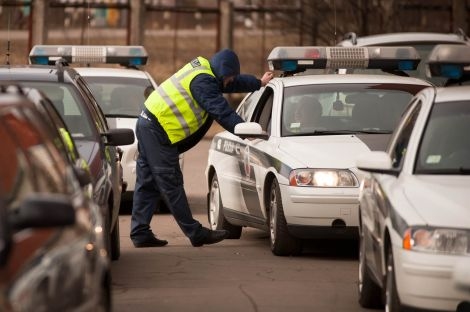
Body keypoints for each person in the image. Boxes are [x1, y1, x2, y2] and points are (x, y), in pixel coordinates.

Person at [131, 49, 273, 248]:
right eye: (230, 77)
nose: (231, 81)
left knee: (147, 181)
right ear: (223, 72)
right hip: (158, 130)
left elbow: (233, 82)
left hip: (149, 123)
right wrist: (243, 130)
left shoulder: (208, 71)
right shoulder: (203, 83)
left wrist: (258, 83)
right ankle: (195, 232)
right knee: (170, 181)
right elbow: (221, 111)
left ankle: (140, 232)